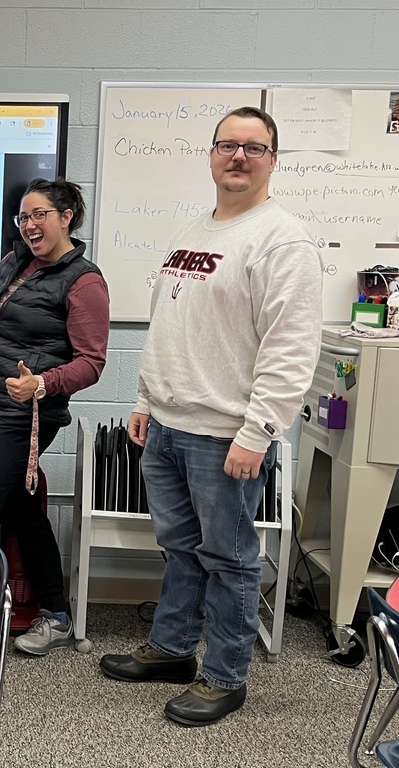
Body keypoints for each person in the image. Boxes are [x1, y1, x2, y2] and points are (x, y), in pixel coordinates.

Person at [98, 107, 323, 726]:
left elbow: (291, 348)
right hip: (168, 426)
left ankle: (225, 675)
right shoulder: (196, 230)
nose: (239, 156)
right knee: (179, 547)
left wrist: (258, 433)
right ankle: (172, 650)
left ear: (273, 160)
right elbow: (170, 325)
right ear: (212, 154)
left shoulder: (283, 240)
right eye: (228, 145)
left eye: (254, 148)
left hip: (226, 436)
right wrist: (146, 400)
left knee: (229, 557)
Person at [0, 177, 110, 662]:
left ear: (66, 218)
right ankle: (57, 616)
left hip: (32, 412)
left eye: (40, 214)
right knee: (21, 509)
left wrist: (42, 383)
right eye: (23, 216)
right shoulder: (14, 260)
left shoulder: (84, 281)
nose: (29, 224)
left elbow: (92, 362)